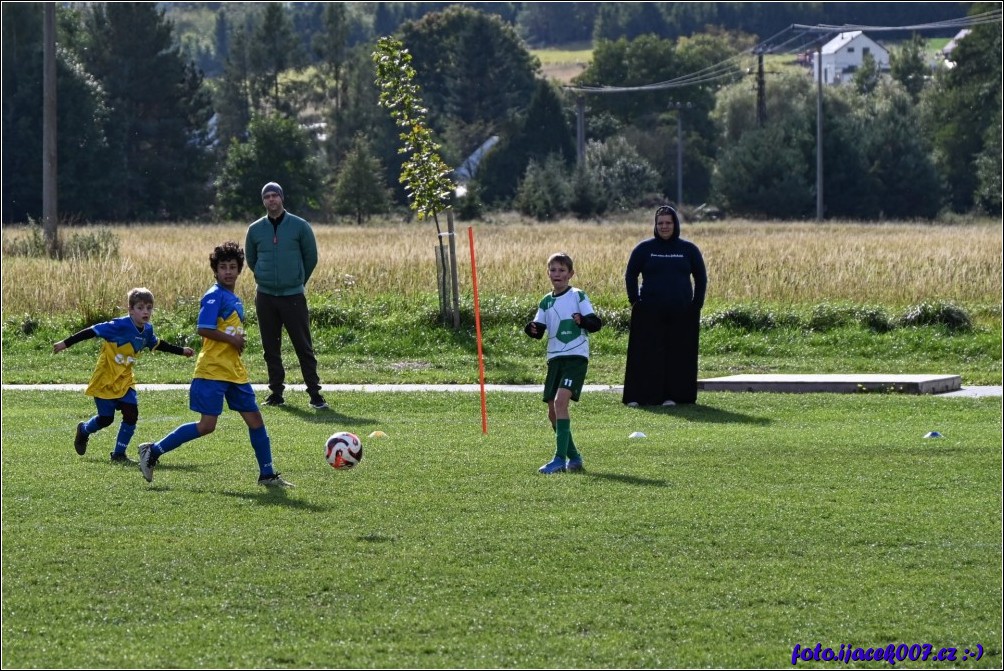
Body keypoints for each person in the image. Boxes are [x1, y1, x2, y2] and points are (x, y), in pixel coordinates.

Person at [137, 241, 294, 488]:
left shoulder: (234, 298)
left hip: (234, 371)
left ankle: (267, 474)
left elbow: (226, 329)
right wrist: (232, 338)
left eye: (233, 266)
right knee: (207, 426)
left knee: (256, 420)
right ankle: (152, 451)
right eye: (223, 267)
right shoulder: (213, 296)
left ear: (240, 269)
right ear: (216, 270)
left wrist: (236, 342)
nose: (228, 271)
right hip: (212, 370)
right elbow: (204, 328)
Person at [53, 288, 195, 463]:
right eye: (140, 307)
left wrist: (181, 351)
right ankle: (84, 430)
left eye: (149, 308)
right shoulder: (118, 326)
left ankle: (119, 454)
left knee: (131, 413)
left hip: (125, 379)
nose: (146, 312)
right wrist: (65, 343)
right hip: (105, 378)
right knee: (106, 419)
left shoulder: (147, 330)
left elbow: (157, 344)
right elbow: (91, 331)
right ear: (130, 310)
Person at [245, 181, 327, 409]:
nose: (271, 200)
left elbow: (311, 258)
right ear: (263, 201)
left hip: (293, 296)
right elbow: (251, 260)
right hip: (266, 296)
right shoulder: (255, 230)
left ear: (282, 198)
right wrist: (264, 276)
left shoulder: (300, 226)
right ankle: (276, 394)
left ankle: (315, 394)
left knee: (304, 347)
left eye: (275, 195)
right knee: (270, 348)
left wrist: (297, 280)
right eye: (267, 196)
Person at [524, 252, 603, 474]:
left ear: (570, 274)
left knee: (560, 403)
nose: (557, 274)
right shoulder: (546, 301)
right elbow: (538, 330)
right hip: (555, 359)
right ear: (548, 273)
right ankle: (575, 457)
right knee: (552, 411)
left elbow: (595, 323)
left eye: (561, 270)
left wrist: (583, 321)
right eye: (553, 270)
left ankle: (559, 459)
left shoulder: (578, 295)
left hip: (575, 358)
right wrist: (531, 329)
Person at [623, 205, 707, 407]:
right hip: (649, 312)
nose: (664, 227)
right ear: (655, 225)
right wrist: (634, 300)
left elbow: (701, 277)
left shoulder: (688, 249)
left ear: (675, 224)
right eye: (660, 223)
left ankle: (676, 397)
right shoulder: (644, 249)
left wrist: (697, 304)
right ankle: (643, 397)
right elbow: (631, 274)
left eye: (668, 223)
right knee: (648, 355)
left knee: (678, 356)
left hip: (682, 313)